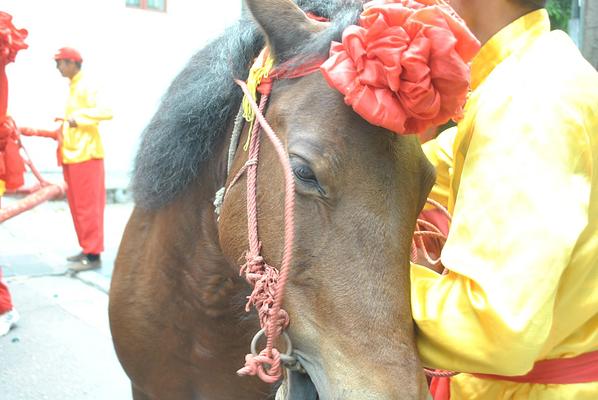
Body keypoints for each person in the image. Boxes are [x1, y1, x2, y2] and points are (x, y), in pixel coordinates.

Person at [410, 0, 598, 399]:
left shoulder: (530, 101)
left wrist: (336, 285)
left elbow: (493, 328)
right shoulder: (525, 74)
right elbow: (419, 177)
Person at [44, 47, 112, 272]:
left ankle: (93, 256)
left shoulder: (86, 85)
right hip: (72, 155)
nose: (58, 68)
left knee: (88, 207)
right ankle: (86, 248)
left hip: (87, 155)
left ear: (73, 62)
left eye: (60, 63)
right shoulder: (74, 87)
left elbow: (106, 111)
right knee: (76, 206)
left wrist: (78, 118)